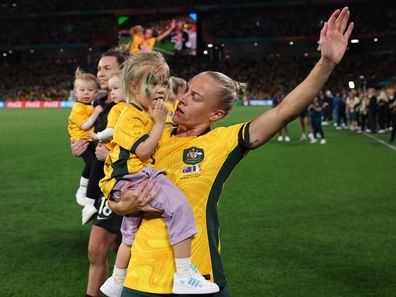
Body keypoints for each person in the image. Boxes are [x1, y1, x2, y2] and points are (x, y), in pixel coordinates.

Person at [103, 7, 353, 297]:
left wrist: (326, 63)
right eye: (185, 91)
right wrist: (119, 204)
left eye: (195, 98)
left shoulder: (225, 141)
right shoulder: (153, 130)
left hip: (200, 277)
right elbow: (115, 173)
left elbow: (284, 112)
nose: (181, 99)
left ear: (217, 114)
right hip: (140, 279)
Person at [99, 52, 219, 297]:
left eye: (164, 82)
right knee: (180, 206)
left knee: (129, 234)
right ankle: (184, 275)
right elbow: (144, 149)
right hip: (133, 179)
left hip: (127, 181)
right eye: (153, 83)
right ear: (133, 86)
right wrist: (158, 122)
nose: (160, 89)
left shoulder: (142, 111)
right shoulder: (129, 116)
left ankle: (116, 280)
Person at [70, 48, 128, 297]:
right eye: (98, 69)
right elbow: (92, 142)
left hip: (125, 184)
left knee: (110, 247)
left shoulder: (131, 106)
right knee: (102, 248)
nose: (100, 74)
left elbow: (145, 149)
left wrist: (111, 156)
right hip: (105, 184)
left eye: (106, 68)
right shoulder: (101, 104)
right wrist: (79, 147)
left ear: (124, 71)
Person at [68, 68, 102, 207]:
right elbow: (85, 125)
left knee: (95, 163)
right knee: (92, 164)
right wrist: (97, 111)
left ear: (96, 93)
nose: (86, 93)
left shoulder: (89, 105)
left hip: (89, 139)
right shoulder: (78, 108)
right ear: (75, 93)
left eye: (89, 90)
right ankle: (83, 189)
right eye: (82, 90)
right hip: (82, 140)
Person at [88, 72, 128, 144]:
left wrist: (98, 136)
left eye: (115, 88)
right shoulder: (135, 105)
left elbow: (111, 130)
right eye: (111, 90)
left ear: (128, 88)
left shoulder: (117, 109)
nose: (112, 92)